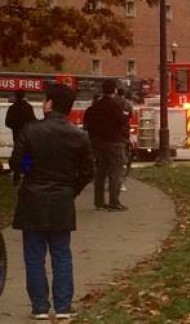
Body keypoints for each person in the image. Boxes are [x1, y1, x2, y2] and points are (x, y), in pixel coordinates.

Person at [10, 83, 94, 320]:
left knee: (34, 256)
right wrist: (71, 189)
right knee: (61, 254)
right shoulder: (79, 136)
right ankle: (63, 306)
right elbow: (88, 171)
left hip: (32, 199)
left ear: (50, 104)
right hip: (61, 200)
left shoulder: (30, 130)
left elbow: (18, 163)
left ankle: (39, 307)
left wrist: (31, 168)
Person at [84, 79, 128, 211]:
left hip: (98, 143)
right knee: (116, 172)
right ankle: (114, 201)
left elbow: (87, 124)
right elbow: (122, 122)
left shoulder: (94, 107)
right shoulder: (116, 106)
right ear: (114, 90)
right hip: (114, 142)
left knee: (100, 172)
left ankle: (99, 201)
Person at [115, 88, 134, 191]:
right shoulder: (127, 103)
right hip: (123, 134)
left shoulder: (112, 102)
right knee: (122, 159)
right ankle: (120, 183)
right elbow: (131, 115)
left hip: (110, 134)